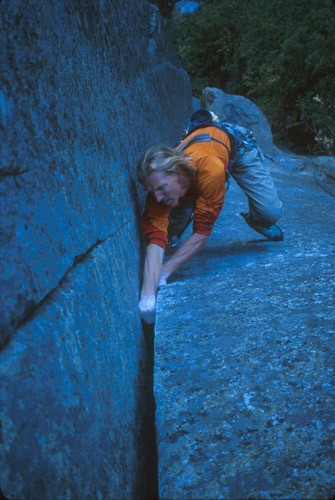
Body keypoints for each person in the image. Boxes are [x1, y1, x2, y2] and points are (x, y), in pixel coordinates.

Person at [137, 110, 283, 324]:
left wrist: (164, 273)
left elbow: (202, 233)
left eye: (161, 188)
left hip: (237, 147)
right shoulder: (159, 188)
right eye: (152, 192)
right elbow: (155, 243)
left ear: (177, 174)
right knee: (169, 231)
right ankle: (191, 201)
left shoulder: (210, 170)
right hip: (198, 167)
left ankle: (256, 220)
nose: (157, 197)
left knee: (269, 213)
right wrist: (147, 296)